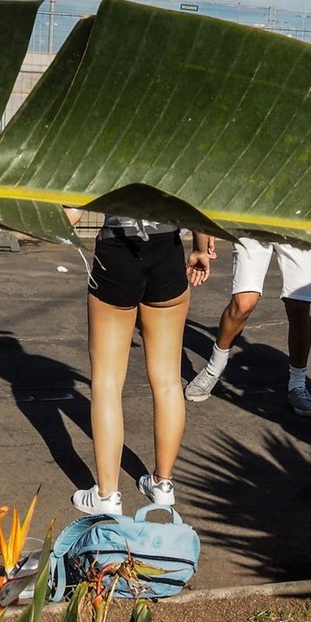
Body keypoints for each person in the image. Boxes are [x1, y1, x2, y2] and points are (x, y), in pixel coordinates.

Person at [66, 212, 212, 515]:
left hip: (117, 250)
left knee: (107, 382)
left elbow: (71, 213)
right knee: (169, 380)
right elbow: (193, 205)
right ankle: (162, 484)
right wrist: (199, 248)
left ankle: (106, 495)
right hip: (167, 248)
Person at [184, 239, 311, 416]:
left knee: (299, 306)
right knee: (243, 303)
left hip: (297, 225)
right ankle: (213, 370)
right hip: (252, 227)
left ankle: (297, 383)